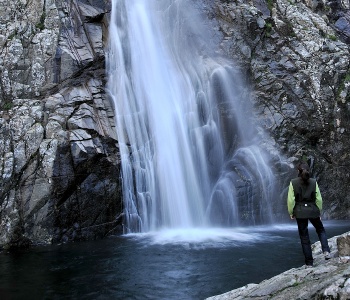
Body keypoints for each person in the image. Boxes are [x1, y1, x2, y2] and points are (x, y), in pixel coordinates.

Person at [287, 162, 331, 267]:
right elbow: (318, 199)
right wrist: (318, 211)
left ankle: (309, 263)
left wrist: (291, 212)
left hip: (300, 212)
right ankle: (326, 251)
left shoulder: (293, 183)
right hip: (313, 210)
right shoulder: (313, 182)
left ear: (298, 171)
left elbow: (290, 201)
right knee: (320, 230)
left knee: (304, 237)